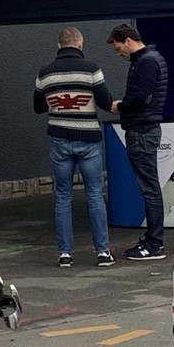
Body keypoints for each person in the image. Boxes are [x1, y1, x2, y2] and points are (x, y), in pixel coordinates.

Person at [34, 27, 115, 268]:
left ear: (59, 46)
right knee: (94, 195)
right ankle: (102, 252)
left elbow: (38, 107)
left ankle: (65, 255)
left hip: (59, 138)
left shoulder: (45, 73)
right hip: (88, 138)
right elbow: (105, 102)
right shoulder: (92, 69)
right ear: (80, 44)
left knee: (63, 197)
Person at [108, 23, 168, 261]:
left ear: (128, 41)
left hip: (142, 130)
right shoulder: (151, 59)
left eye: (118, 48)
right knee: (150, 188)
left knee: (149, 189)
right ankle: (153, 240)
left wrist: (120, 105)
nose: (118, 53)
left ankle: (154, 244)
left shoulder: (146, 61)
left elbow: (143, 96)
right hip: (145, 128)